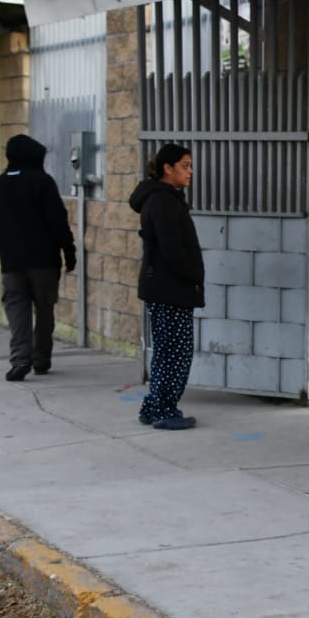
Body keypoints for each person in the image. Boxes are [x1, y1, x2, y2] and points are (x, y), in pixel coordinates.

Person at [0, 134, 76, 382]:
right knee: (44, 311)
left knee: (17, 311)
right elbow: (58, 221)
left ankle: (20, 359)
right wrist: (69, 252)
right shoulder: (42, 182)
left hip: (11, 264)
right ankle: (41, 358)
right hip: (44, 263)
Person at [130, 144, 204, 431]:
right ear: (167, 168)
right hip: (169, 288)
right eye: (185, 166)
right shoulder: (162, 200)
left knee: (166, 350)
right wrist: (191, 275)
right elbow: (172, 249)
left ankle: (154, 406)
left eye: (190, 165)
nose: (190, 171)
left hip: (166, 287)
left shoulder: (165, 198)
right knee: (175, 352)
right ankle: (164, 409)